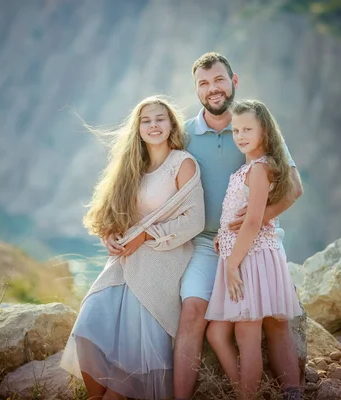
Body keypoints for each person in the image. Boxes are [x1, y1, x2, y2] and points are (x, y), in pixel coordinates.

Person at [104, 53, 304, 399]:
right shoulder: (186, 135)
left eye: (219, 80)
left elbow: (294, 188)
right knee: (193, 311)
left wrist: (256, 220)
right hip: (202, 243)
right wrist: (115, 224)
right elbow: (148, 177)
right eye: (204, 83)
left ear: (234, 81)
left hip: (254, 238)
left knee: (274, 318)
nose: (213, 89)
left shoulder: (254, 128)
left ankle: (292, 390)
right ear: (196, 89)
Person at [60, 96, 205, 400]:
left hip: (165, 258)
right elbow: (110, 215)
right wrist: (110, 236)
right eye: (146, 120)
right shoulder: (132, 167)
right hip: (127, 258)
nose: (154, 125)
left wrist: (147, 235)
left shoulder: (183, 164)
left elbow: (194, 220)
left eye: (160, 119)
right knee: (88, 324)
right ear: (138, 128)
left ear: (171, 124)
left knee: (131, 351)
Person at [205, 99, 303, 399]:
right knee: (218, 332)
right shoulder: (250, 167)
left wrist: (233, 265)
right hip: (243, 254)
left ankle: (272, 393)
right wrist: (223, 235)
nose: (240, 136)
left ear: (266, 131)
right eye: (236, 130)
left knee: (248, 336)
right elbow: (241, 216)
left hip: (249, 259)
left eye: (248, 129)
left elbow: (252, 222)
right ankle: (262, 390)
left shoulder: (260, 169)